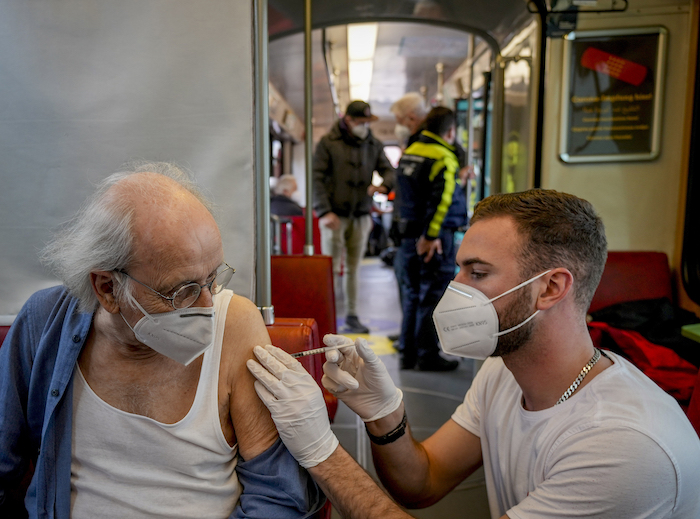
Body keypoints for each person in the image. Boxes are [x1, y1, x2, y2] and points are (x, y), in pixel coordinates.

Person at [249, 189, 700, 519]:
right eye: (460, 270)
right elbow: (421, 483)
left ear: (551, 287)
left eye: (478, 273)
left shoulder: (623, 446)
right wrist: (383, 414)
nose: (455, 290)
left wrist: (321, 451)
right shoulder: (505, 372)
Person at [0, 162, 325, 518]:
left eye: (213, 278)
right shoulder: (43, 323)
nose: (207, 306)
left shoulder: (236, 326)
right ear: (107, 288)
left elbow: (278, 496)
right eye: (181, 291)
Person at [394, 106, 467, 371]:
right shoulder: (443, 158)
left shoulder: (410, 153)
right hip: (433, 239)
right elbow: (442, 201)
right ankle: (427, 354)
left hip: (407, 235)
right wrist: (431, 235)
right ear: (450, 131)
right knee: (433, 294)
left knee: (412, 294)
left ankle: (407, 353)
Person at [313, 100, 395, 334]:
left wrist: (384, 186)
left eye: (367, 122)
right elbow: (316, 178)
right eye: (361, 122)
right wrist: (324, 211)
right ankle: (326, 315)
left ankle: (351, 315)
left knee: (353, 268)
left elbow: (389, 170)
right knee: (330, 268)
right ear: (348, 120)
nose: (365, 126)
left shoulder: (373, 144)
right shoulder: (328, 144)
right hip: (333, 216)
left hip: (360, 215)